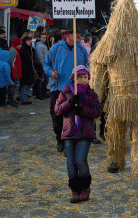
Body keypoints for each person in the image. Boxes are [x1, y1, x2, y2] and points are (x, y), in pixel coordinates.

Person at [54, 66, 102, 203]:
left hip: (85, 132)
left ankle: (85, 187)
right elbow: (57, 110)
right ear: (73, 78)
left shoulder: (91, 94)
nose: (82, 80)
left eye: (85, 77)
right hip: (69, 132)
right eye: (79, 77)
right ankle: (75, 189)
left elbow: (97, 111)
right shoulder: (66, 92)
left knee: (80, 160)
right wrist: (69, 102)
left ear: (88, 78)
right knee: (71, 162)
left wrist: (82, 111)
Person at [43, 29, 89, 153]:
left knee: (73, 117)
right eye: (76, 34)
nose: (79, 37)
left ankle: (69, 143)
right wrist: (50, 72)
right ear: (67, 36)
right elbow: (46, 64)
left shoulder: (82, 50)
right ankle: (59, 139)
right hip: (58, 88)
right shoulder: (55, 48)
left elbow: (88, 66)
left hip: (76, 90)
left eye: (79, 34)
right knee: (57, 117)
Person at [19, 37, 36, 105]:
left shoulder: (31, 49)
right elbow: (26, 59)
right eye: (28, 41)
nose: (30, 42)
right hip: (25, 70)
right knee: (25, 85)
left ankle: (23, 97)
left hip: (29, 69)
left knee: (29, 84)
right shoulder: (23, 50)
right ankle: (24, 99)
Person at [8, 38, 22, 107]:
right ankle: (10, 99)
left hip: (15, 71)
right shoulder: (13, 50)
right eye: (20, 44)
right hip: (14, 71)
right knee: (12, 86)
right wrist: (14, 73)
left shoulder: (15, 50)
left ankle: (11, 99)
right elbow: (12, 63)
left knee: (13, 86)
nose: (20, 45)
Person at [34, 32, 49, 100]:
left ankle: (43, 93)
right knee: (41, 80)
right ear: (39, 38)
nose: (44, 39)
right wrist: (44, 64)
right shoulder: (39, 46)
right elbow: (40, 57)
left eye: (45, 37)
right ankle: (39, 94)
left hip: (44, 64)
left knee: (45, 80)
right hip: (41, 65)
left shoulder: (43, 45)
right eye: (43, 37)